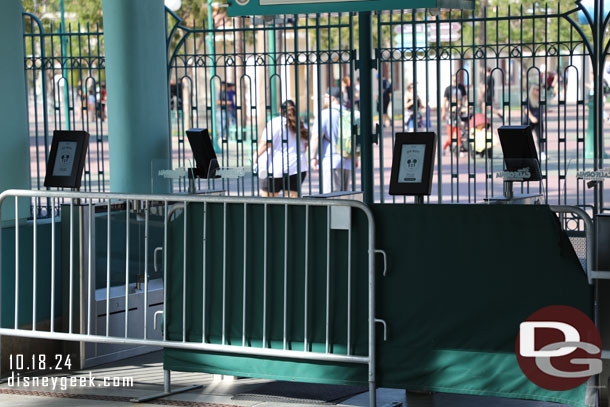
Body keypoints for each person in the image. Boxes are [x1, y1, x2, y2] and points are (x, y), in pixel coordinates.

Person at [256, 100, 308, 197]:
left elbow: (266, 144)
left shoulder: (274, 123)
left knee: (268, 202)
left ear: (280, 110)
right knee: (292, 204)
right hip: (298, 166)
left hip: (276, 167)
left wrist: (255, 157)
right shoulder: (302, 125)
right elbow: (304, 147)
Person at [310, 87, 353, 194]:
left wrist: (312, 157)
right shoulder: (348, 113)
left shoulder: (324, 114)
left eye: (326, 97)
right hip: (347, 160)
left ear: (332, 98)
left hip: (330, 160)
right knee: (345, 196)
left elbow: (316, 137)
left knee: (331, 197)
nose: (324, 100)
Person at [441, 74, 467, 154]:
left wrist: (467, 108)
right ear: (451, 78)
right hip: (451, 114)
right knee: (451, 137)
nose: (455, 78)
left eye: (456, 77)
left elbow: (465, 99)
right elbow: (445, 102)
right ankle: (445, 148)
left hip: (459, 113)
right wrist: (443, 112)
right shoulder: (448, 89)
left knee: (460, 133)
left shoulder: (461, 87)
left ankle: (460, 150)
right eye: (453, 77)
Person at [525, 84, 545, 160]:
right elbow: (526, 109)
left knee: (540, 137)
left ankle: (542, 152)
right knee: (527, 137)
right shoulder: (529, 99)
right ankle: (526, 152)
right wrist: (532, 117)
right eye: (536, 90)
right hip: (529, 120)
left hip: (539, 120)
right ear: (533, 90)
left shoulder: (540, 99)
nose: (538, 91)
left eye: (539, 90)